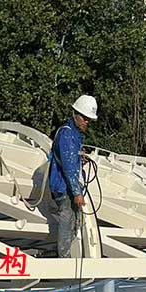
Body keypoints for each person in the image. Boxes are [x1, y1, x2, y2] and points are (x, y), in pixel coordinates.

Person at [38, 94, 97, 258]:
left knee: (74, 221)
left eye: (88, 119)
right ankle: (63, 258)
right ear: (75, 114)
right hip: (63, 187)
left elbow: (70, 160)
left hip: (65, 186)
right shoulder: (67, 135)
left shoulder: (72, 134)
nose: (87, 122)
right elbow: (69, 168)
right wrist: (77, 193)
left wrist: (80, 157)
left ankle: (62, 254)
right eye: (85, 118)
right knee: (67, 219)